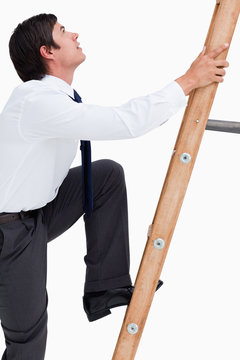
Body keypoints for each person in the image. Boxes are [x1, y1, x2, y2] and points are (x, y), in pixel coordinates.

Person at [0, 12, 229, 360]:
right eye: (63, 31)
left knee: (106, 175)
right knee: (27, 338)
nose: (74, 33)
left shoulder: (57, 97)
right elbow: (125, 122)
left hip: (38, 213)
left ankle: (105, 287)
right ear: (48, 51)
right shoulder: (37, 101)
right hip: (9, 232)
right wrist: (186, 82)